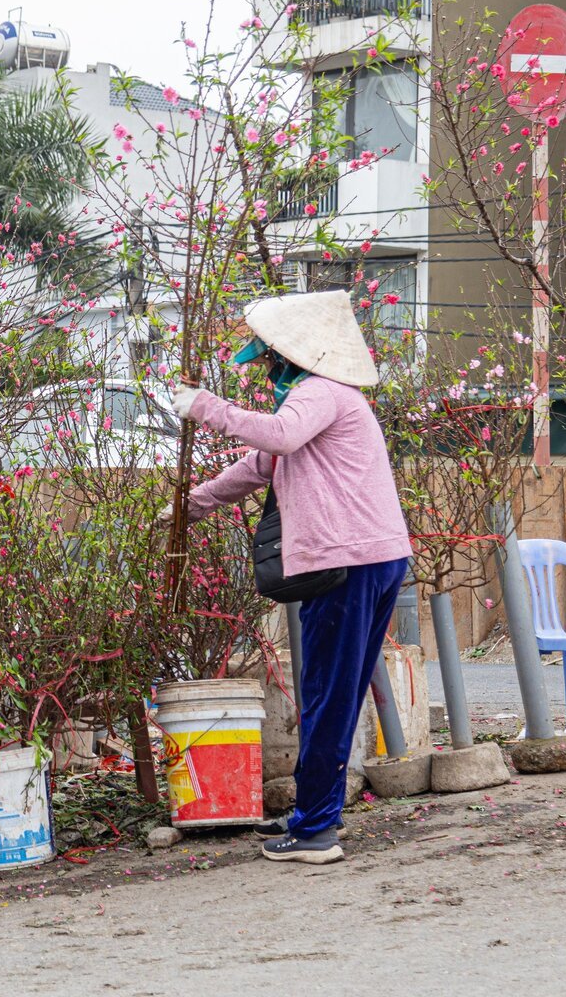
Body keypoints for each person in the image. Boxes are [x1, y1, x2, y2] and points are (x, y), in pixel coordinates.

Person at [169, 290, 412, 866]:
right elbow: (261, 465)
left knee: (328, 694)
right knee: (337, 691)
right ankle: (315, 810)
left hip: (346, 563)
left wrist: (205, 405)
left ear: (291, 356)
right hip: (370, 557)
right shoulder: (325, 403)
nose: (266, 369)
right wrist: (191, 505)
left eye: (269, 359)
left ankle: (316, 831)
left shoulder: (321, 394)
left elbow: (275, 439)